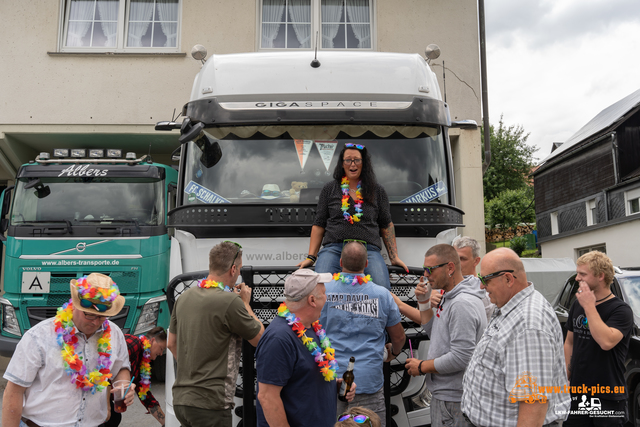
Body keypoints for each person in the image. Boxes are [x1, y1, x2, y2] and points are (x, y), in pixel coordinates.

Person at [2, 273, 136, 427]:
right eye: (90, 315)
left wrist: (123, 385)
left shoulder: (114, 333)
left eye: (102, 317)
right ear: (76, 304)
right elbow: (13, 392)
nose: (96, 322)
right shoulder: (39, 336)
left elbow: (121, 368)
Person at [461, 248, 570, 427]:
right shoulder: (511, 305)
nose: (481, 286)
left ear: (508, 279)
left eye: (485, 279)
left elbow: (533, 404)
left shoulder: (528, 324)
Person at [167, 241, 264, 427]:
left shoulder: (184, 297)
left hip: (181, 399)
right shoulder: (230, 302)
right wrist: (245, 304)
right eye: (240, 269)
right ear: (233, 269)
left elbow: (171, 343)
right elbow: (260, 338)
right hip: (210, 404)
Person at [297, 143, 408, 289]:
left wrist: (394, 257)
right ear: (342, 164)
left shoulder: (377, 190)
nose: (352, 164)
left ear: (364, 163)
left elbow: (386, 224)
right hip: (334, 248)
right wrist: (311, 257)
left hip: (368, 250)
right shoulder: (329, 189)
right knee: (321, 289)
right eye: (348, 160)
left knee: (382, 289)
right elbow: (319, 224)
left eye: (357, 160)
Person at [256, 269, 356, 427]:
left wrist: (335, 385)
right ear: (312, 300)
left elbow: (303, 377)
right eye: (323, 293)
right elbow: (267, 397)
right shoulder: (279, 338)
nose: (326, 297)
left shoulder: (311, 328)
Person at [320, 242, 406, 426]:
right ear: (367, 264)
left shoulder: (323, 292)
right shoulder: (383, 295)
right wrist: (393, 353)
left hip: (331, 382)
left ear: (340, 261)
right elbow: (399, 338)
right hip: (369, 382)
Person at [403, 244, 487, 427]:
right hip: (448, 396)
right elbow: (436, 333)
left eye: (430, 269)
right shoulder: (450, 296)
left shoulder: (461, 303)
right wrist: (423, 303)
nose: (425, 275)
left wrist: (422, 366)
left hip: (455, 399)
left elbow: (461, 357)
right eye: (425, 269)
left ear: (450, 268)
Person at [563, 251, 633, 426]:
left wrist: (589, 306)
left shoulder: (621, 310)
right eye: (577, 273)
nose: (577, 278)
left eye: (582, 274)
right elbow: (570, 343)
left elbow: (606, 342)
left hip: (608, 394)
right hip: (578, 392)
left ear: (601, 276)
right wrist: (565, 377)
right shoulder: (577, 304)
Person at [100, 327, 168, 427]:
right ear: (152, 341)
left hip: (107, 398)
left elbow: (145, 396)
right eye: (161, 348)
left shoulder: (143, 363)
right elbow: (106, 369)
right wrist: (107, 406)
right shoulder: (134, 343)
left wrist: (165, 423)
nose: (161, 353)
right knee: (112, 418)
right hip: (96, 391)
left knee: (115, 418)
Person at [452, 236, 495, 322]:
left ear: (476, 261)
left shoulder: (484, 292)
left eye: (462, 259)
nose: (456, 263)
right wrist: (425, 302)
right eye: (454, 258)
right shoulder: (444, 285)